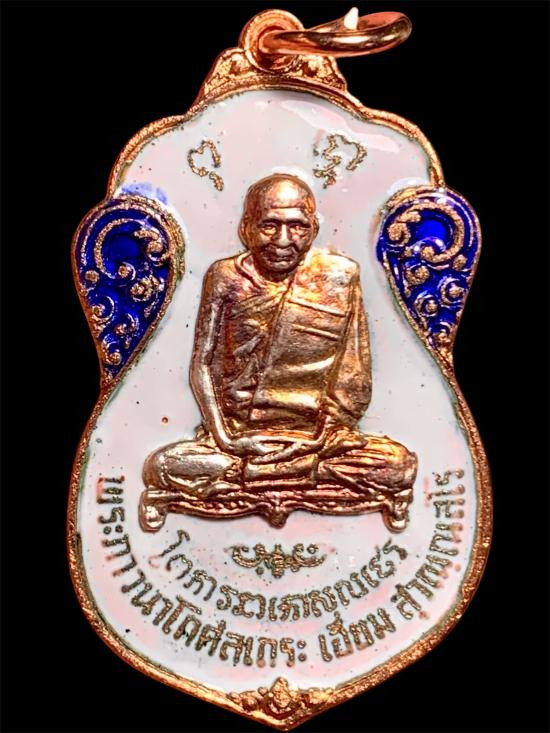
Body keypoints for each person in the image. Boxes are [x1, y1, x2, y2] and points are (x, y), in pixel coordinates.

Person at [140, 173, 416, 529]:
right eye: (269, 225)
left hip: (316, 442)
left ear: (314, 229)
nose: (283, 240)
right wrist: (227, 438)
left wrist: (316, 441)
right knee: (161, 466)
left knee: (397, 464)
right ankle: (287, 472)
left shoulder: (339, 277)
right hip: (238, 439)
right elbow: (203, 366)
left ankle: (256, 475)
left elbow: (353, 375)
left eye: (297, 226)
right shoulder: (225, 277)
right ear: (246, 229)